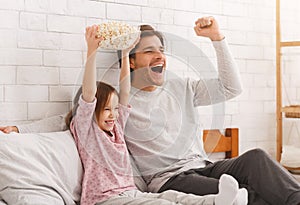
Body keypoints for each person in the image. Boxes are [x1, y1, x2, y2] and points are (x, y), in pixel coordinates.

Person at [1, 16, 300, 205]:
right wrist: (21, 129)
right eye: (149, 51)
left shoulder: (182, 86)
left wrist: (216, 39)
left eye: (161, 50)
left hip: (205, 163)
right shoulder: (118, 102)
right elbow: (76, 119)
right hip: (170, 179)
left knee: (257, 160)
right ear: (131, 61)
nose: (160, 56)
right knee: (244, 193)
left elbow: (232, 88)